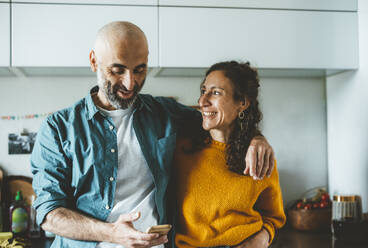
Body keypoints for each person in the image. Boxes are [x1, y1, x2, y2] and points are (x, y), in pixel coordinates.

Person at [30, 22, 275, 248]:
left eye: (139, 70)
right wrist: (111, 233)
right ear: (94, 61)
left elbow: (220, 121)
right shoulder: (58, 127)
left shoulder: (164, 113)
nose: (130, 83)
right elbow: (49, 214)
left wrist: (256, 138)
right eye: (117, 70)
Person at [173, 61, 286, 248]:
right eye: (203, 91)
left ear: (242, 103)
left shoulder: (260, 156)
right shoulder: (181, 149)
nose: (202, 101)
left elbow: (273, 217)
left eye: (216, 93)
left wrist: (262, 238)